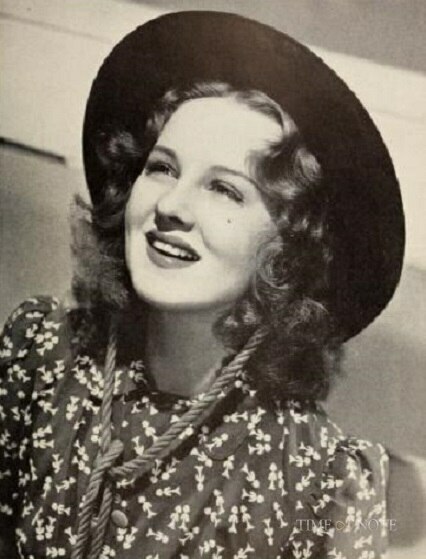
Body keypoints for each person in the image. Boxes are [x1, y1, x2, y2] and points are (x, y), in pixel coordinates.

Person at [0, 11, 404, 559]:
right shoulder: (42, 355)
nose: (171, 206)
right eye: (162, 168)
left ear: (291, 246)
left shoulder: (320, 482)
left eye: (224, 190)